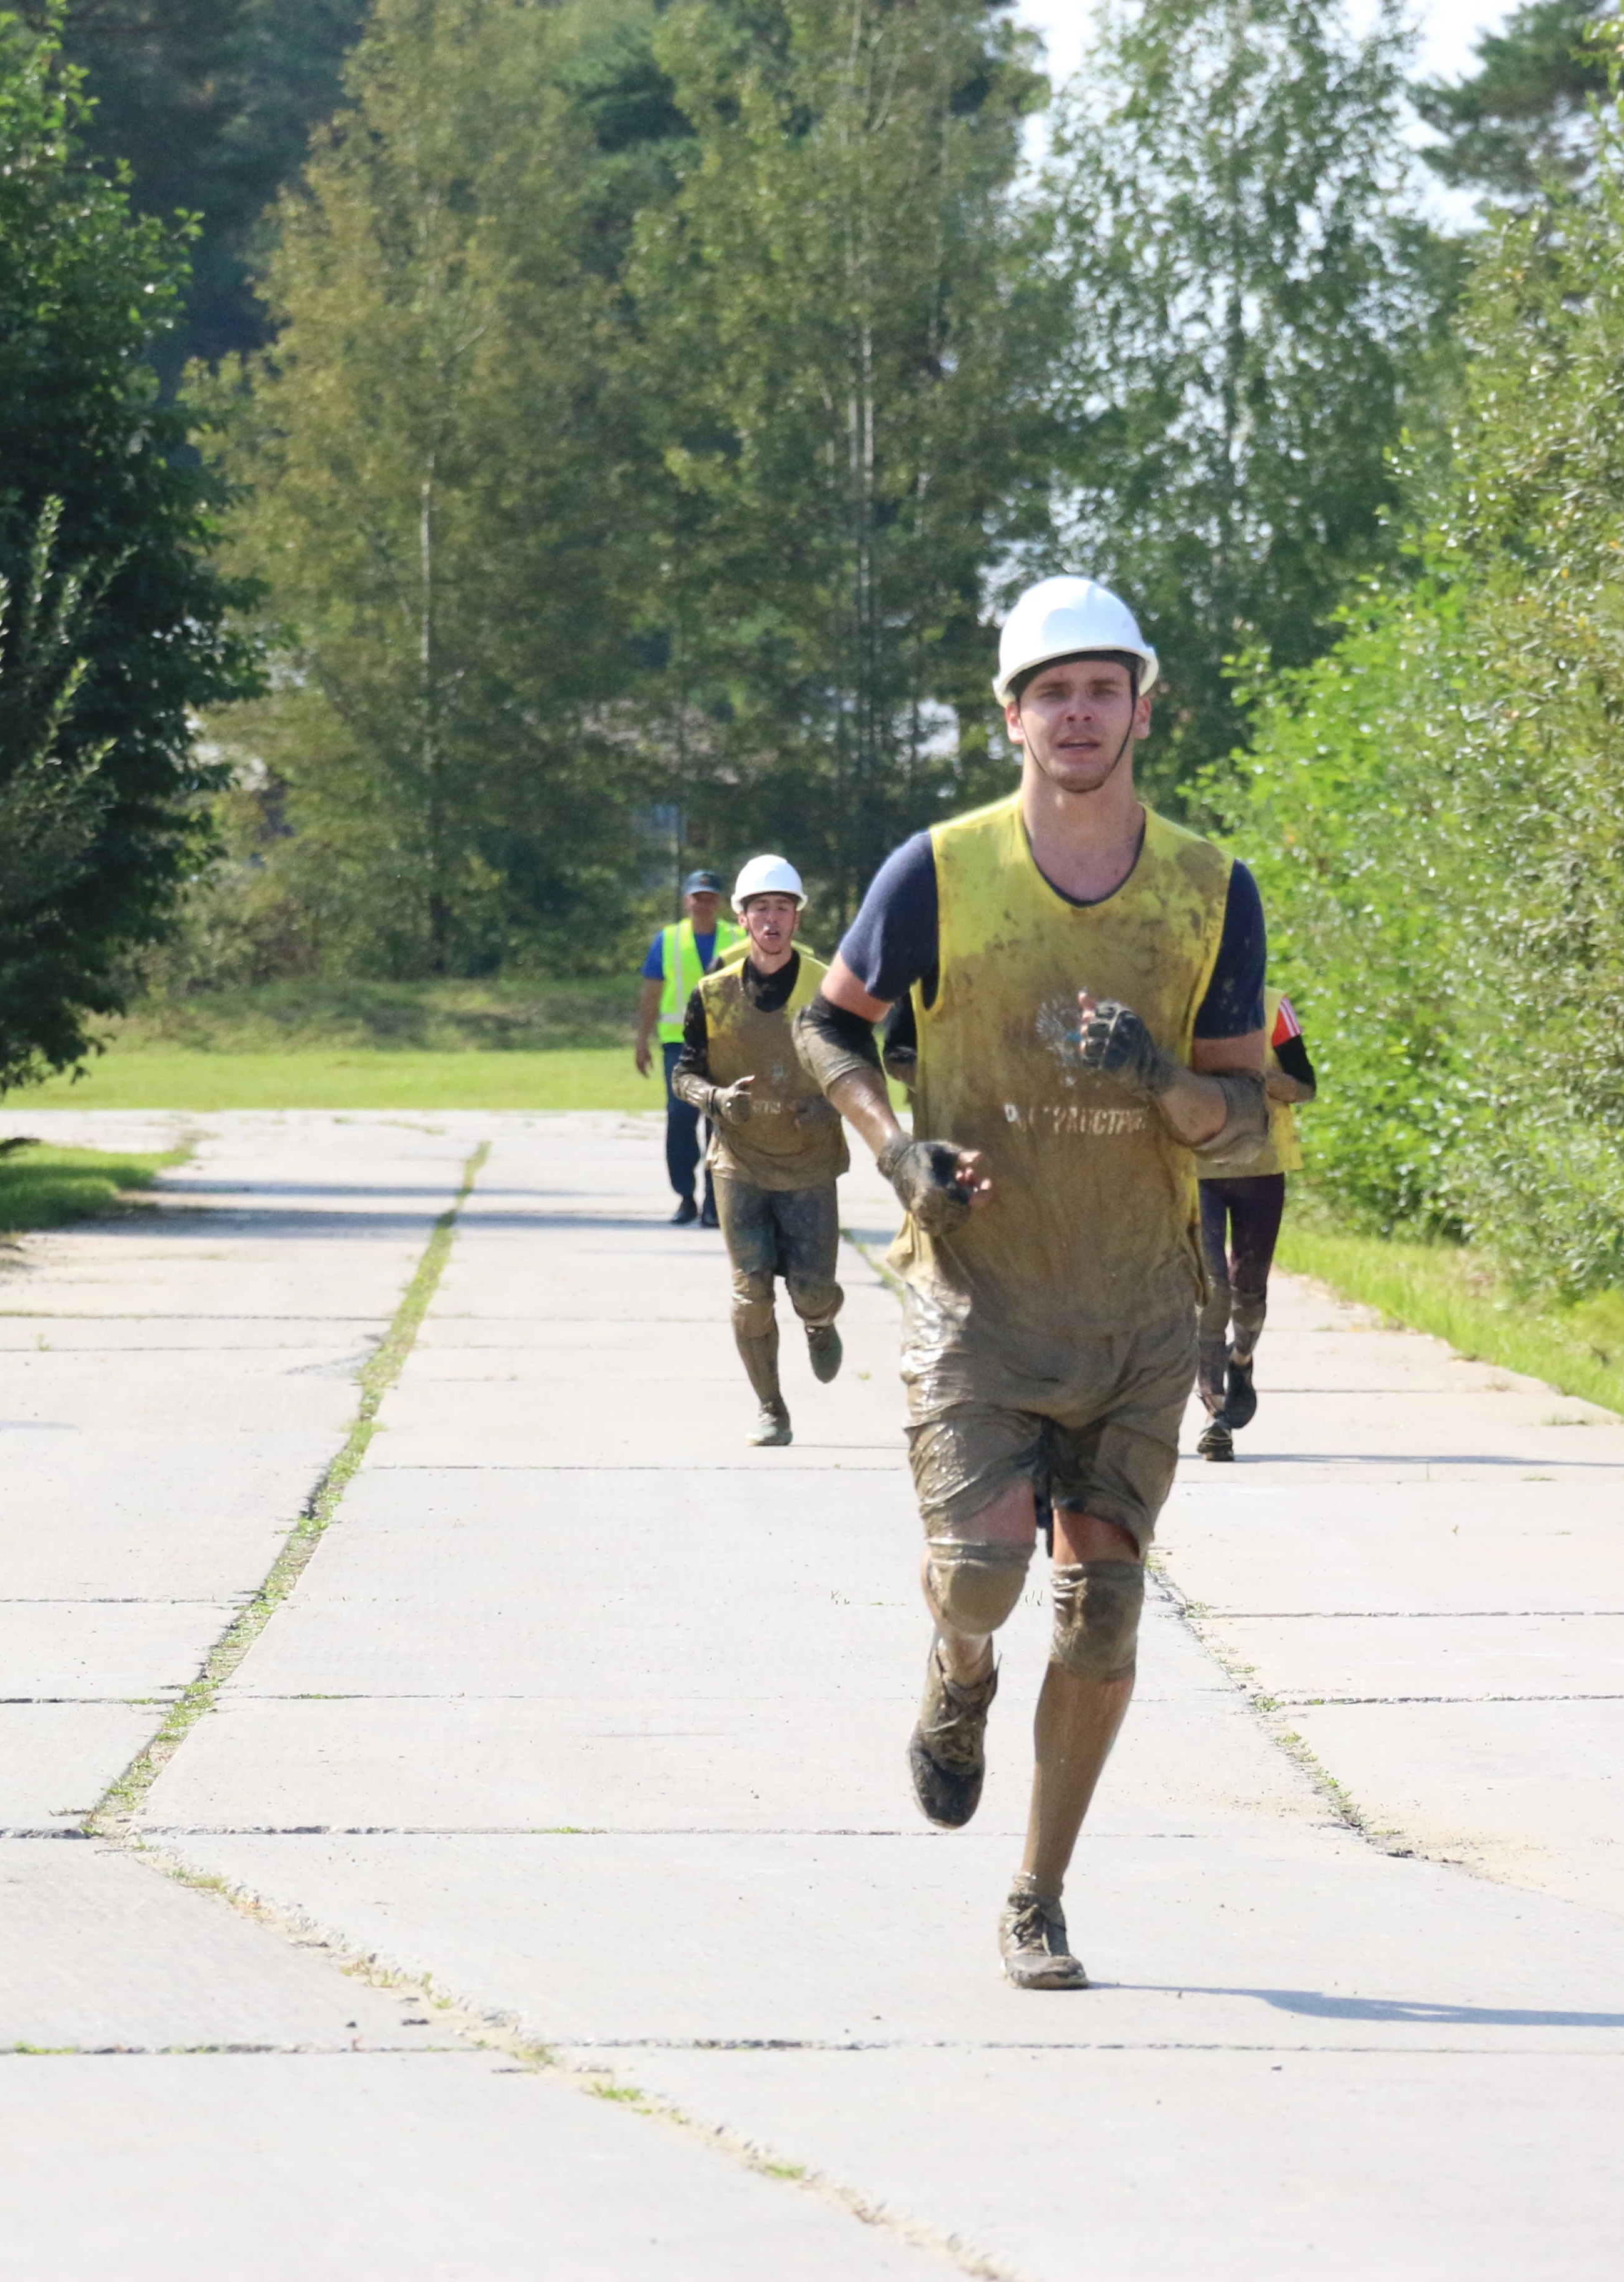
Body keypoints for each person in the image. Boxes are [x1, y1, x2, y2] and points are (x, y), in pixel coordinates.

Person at [796, 574, 1270, 1991]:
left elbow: (1242, 1123)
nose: (1076, 713)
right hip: (977, 1295)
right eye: (1049, 691)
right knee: (988, 1576)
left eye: (1099, 689)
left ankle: (1036, 1893)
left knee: (1107, 1610)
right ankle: (956, 1676)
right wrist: (894, 1153)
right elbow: (830, 1034)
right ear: (1010, 715)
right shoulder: (932, 873)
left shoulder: (1207, 890)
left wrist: (1154, 1074)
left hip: (1133, 1311)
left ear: (1140, 704)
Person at [670, 854, 850, 1445]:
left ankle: (820, 1321)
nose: (772, 920)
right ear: (742, 920)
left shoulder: (828, 989)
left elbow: (859, 1070)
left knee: (811, 1290)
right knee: (750, 1293)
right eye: (760, 910)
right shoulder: (712, 992)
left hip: (808, 1163)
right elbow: (685, 1073)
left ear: (797, 918)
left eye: (783, 909)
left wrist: (828, 1105)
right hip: (739, 1162)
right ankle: (771, 1408)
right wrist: (716, 1099)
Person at [1192, 990, 1319, 1462]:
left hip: (1262, 1167)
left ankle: (1241, 1361)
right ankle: (1215, 1412)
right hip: (1196, 1169)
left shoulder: (1271, 1006)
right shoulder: (1179, 1001)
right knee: (1211, 1289)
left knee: (1250, 1288)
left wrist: (1261, 1081)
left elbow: (1306, 1085)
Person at [632, 870, 730, 1225]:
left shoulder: (737, 938)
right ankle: (686, 1194)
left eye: (709, 897)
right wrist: (642, 1039)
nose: (703, 903)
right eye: (697, 896)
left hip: (726, 1042)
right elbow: (652, 992)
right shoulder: (669, 940)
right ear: (687, 901)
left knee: (720, 1121)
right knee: (680, 1118)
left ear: (719, 902)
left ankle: (715, 1202)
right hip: (680, 1043)